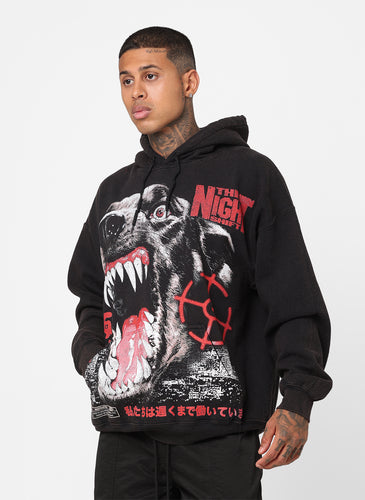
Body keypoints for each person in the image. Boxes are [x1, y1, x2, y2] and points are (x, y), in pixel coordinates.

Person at [68, 26, 333, 500]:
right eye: (126, 80)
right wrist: (92, 360)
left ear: (189, 82)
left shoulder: (250, 175)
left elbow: (292, 296)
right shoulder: (113, 191)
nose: (136, 92)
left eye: (151, 75)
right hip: (123, 439)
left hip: (219, 438)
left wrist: (298, 399)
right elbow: (90, 292)